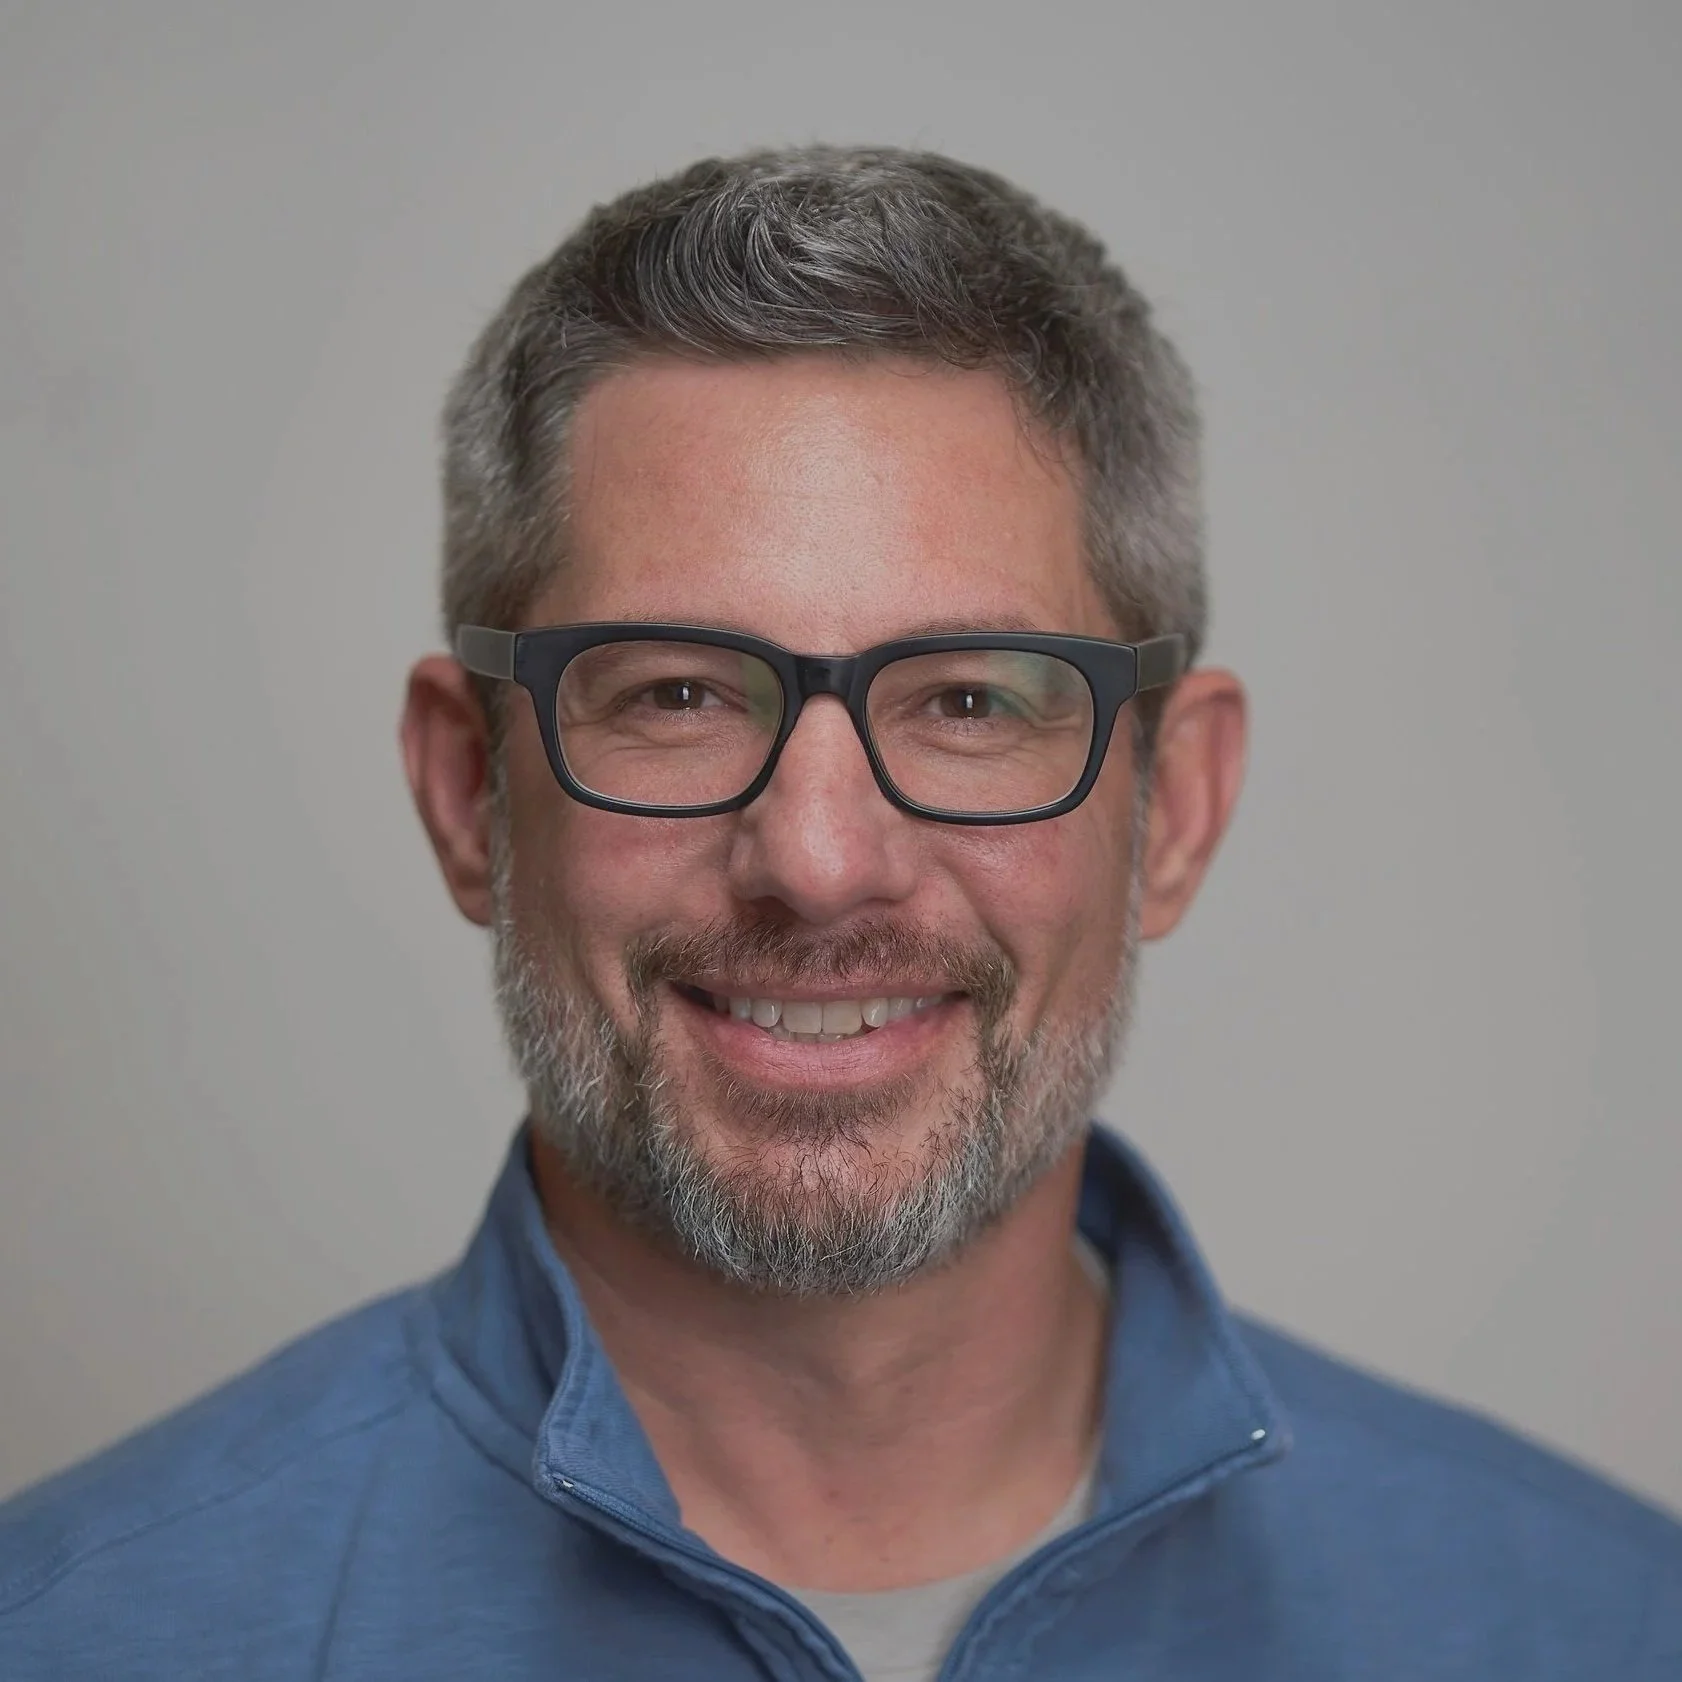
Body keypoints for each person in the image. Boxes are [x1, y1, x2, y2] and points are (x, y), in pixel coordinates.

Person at [1, 144, 1677, 1682]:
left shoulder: (1602, 1626)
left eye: (968, 700)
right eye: (670, 692)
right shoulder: (77, 1635)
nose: (816, 860)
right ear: (468, 794)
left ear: (1172, 810)